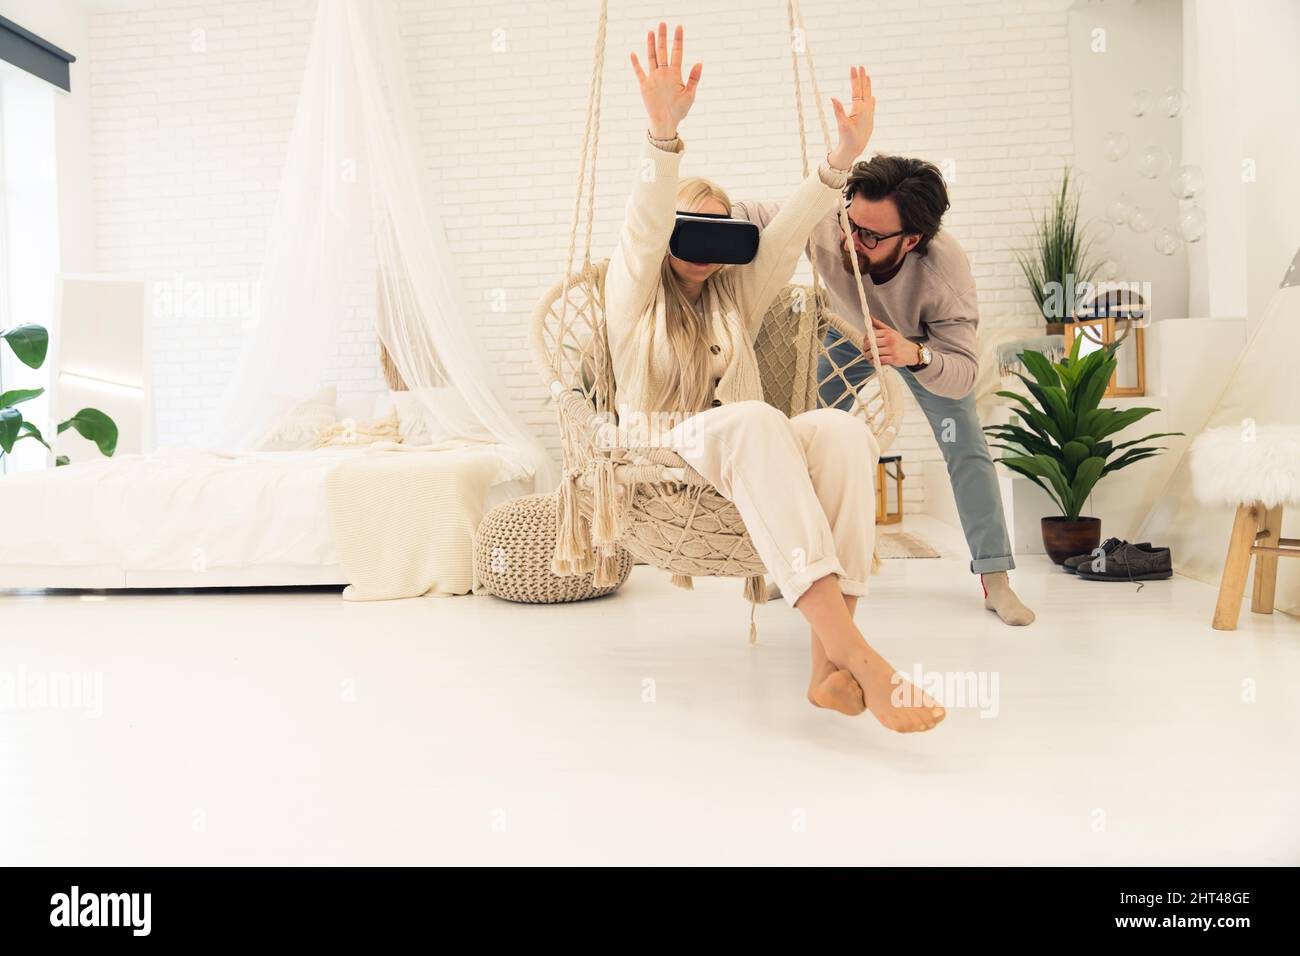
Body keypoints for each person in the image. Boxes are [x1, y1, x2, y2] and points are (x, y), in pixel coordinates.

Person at [606, 22, 945, 733]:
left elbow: (789, 232)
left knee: (843, 434)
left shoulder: (734, 293)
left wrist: (841, 161)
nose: (701, 248)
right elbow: (643, 228)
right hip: (659, 447)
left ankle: (827, 669)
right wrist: (662, 137)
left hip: (738, 443)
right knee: (759, 420)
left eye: (716, 232)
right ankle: (860, 656)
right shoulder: (633, 294)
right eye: (686, 230)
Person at [732, 156, 1035, 626]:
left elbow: (963, 372)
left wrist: (914, 354)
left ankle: (996, 580)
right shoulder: (831, 217)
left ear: (911, 240)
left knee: (965, 446)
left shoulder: (945, 271)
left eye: (870, 236)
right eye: (850, 223)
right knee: (800, 434)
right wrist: (704, 215)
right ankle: (802, 566)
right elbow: (759, 214)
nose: (850, 241)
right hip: (848, 335)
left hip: (924, 346)